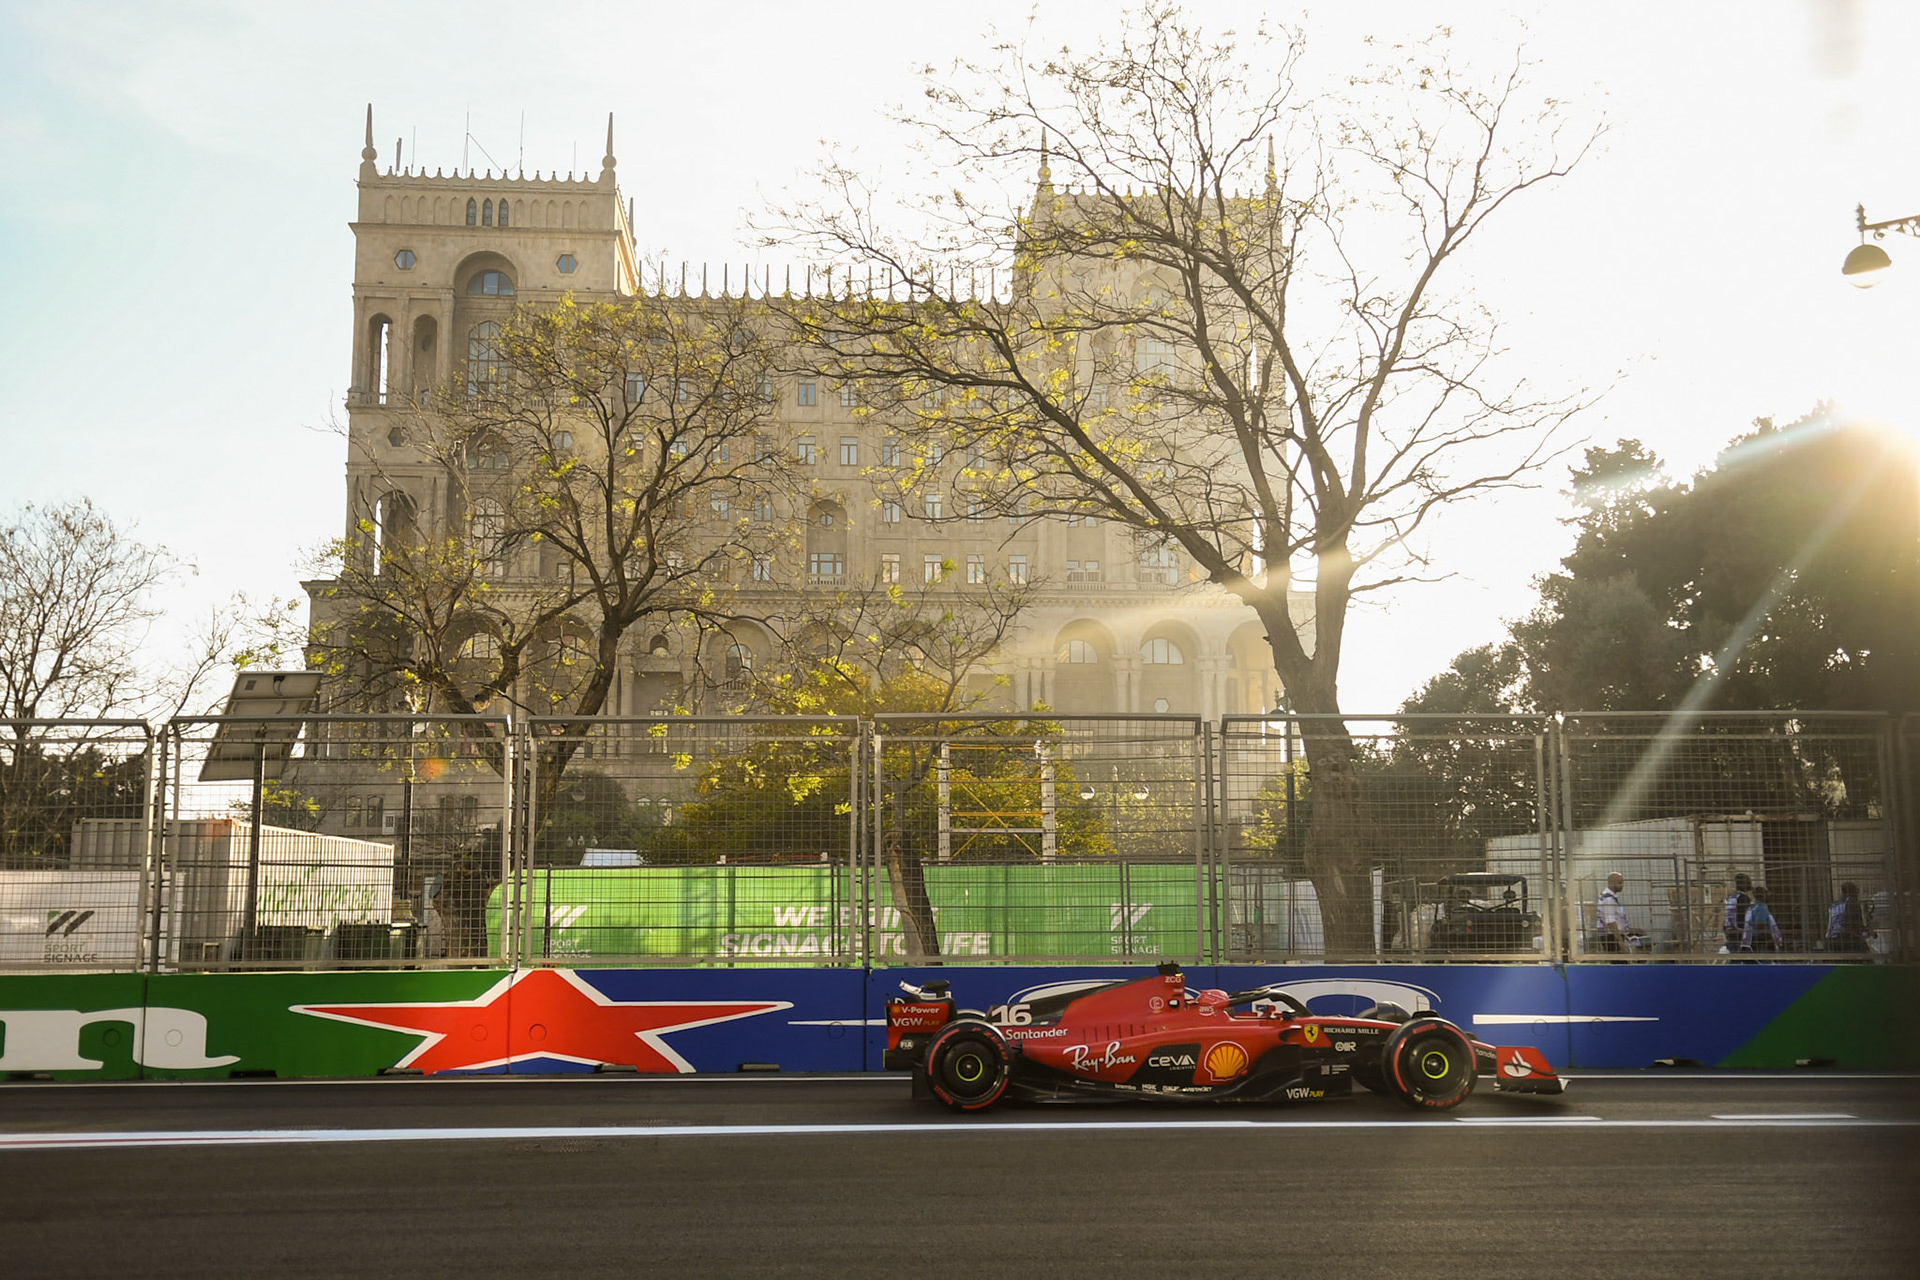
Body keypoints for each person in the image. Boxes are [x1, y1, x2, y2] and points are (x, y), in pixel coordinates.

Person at [1825, 881, 1872, 955]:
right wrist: (1868, 931)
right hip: (1846, 939)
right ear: (1852, 892)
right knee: (1866, 951)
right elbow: (1855, 924)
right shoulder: (1852, 902)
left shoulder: (1834, 904)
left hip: (1831, 939)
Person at [1595, 871, 1633, 956]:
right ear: (1611, 883)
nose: (1622, 885)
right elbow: (1610, 921)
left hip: (1614, 935)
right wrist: (1620, 941)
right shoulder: (1608, 899)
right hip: (1612, 936)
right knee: (1620, 963)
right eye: (1620, 883)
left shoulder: (1610, 898)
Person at [1741, 886, 1784, 956]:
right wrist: (1770, 939)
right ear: (1763, 896)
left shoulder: (1752, 907)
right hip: (1761, 943)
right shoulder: (1761, 908)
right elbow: (1760, 925)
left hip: (1751, 941)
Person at [1722, 873, 1753, 953]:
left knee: (1733, 954)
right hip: (1740, 930)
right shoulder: (1744, 898)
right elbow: (1746, 916)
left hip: (1729, 929)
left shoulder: (1731, 896)